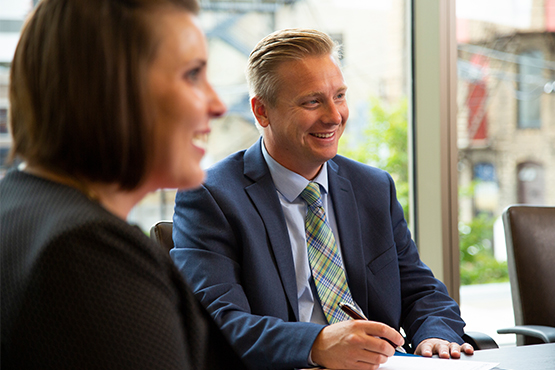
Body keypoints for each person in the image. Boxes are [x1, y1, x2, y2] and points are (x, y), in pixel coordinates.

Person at [171, 28, 474, 370]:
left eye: (340, 96)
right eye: (312, 101)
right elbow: (219, 322)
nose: (334, 116)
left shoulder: (373, 187)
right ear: (262, 112)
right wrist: (316, 344)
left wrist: (434, 335)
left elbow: (422, 291)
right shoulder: (211, 197)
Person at [0, 0, 247, 369]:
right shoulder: (88, 256)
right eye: (193, 74)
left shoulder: (20, 207)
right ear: (112, 88)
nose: (218, 104)